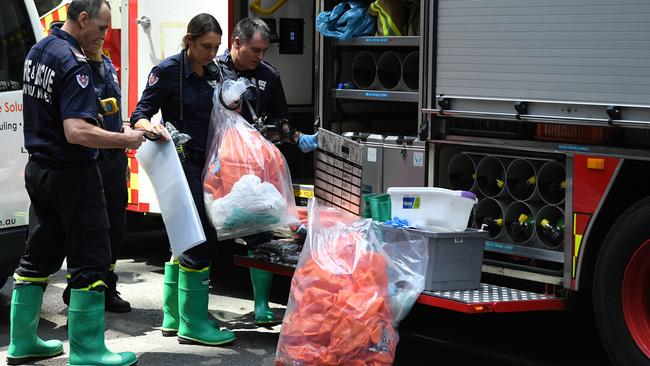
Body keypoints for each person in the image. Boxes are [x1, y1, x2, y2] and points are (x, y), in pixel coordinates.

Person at [7, 1, 143, 365]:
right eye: (100, 28)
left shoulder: (39, 50)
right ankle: (87, 350)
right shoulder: (74, 63)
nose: (103, 35)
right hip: (73, 174)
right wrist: (124, 140)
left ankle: (22, 342)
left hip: (40, 171)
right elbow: (77, 130)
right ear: (82, 19)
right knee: (90, 259)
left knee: (37, 256)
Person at [129, 13, 236, 347]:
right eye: (206, 46)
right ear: (188, 40)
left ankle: (173, 317)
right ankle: (193, 323)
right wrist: (151, 127)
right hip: (183, 165)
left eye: (216, 47)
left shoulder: (216, 72)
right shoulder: (167, 72)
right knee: (198, 240)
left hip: (213, 165)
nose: (211, 53)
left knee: (185, 240)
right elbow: (138, 117)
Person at [217, 17, 318, 327]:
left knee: (259, 236)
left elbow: (281, 118)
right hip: (218, 165)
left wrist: (293, 136)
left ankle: (261, 306)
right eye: (255, 50)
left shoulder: (269, 76)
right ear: (236, 43)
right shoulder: (214, 70)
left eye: (264, 51)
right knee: (198, 236)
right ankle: (180, 313)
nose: (260, 57)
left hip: (253, 169)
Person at [55, 24, 131, 313]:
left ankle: (106, 283)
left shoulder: (107, 63)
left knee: (116, 228)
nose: (101, 36)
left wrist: (122, 153)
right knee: (88, 230)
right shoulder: (77, 68)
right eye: (97, 30)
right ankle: (80, 285)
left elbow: (115, 112)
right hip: (90, 160)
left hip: (114, 159)